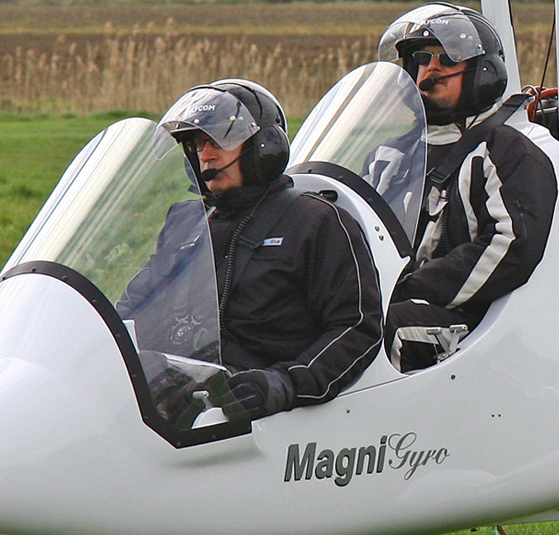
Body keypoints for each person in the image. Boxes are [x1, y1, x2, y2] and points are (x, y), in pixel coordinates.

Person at [124, 79, 383, 422]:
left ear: (263, 144)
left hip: (251, 416)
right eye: (199, 143)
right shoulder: (185, 223)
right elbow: (133, 308)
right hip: (174, 402)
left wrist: (283, 384)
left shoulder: (315, 221)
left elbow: (356, 327)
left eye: (219, 140)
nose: (206, 155)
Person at [376, 4, 558, 369]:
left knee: (371, 331)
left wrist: (414, 288)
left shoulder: (505, 151)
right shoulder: (390, 155)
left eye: (448, 58)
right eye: (423, 58)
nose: (432, 68)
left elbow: (511, 245)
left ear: (480, 71)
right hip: (389, 300)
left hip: (468, 320)